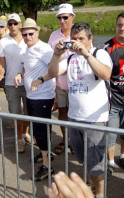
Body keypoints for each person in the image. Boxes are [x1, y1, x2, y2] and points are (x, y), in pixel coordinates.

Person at [48, 22, 113, 196]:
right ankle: (89, 187)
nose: (77, 43)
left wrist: (86, 54)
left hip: (95, 120)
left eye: (81, 39)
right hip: (74, 118)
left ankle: (100, 194)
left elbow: (106, 74)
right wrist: (56, 55)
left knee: (96, 164)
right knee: (84, 159)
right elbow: (53, 72)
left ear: (90, 39)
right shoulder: (70, 58)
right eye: (74, 39)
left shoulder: (100, 54)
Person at [14, 18, 55, 181]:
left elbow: (55, 69)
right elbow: (27, 68)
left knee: (41, 130)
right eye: (24, 34)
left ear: (37, 32)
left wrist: (41, 79)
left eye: (31, 33)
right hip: (31, 96)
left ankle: (47, 167)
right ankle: (46, 154)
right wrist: (20, 74)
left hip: (43, 96)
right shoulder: (26, 49)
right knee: (37, 128)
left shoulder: (45, 49)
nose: (27, 37)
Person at [0, 13, 30, 153]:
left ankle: (25, 133)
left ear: (20, 24)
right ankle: (19, 139)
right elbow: (1, 63)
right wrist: (0, 76)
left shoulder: (28, 38)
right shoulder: (3, 42)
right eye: (10, 24)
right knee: (15, 114)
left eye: (15, 23)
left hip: (28, 83)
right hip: (11, 84)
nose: (12, 26)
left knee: (28, 113)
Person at [48, 3, 76, 155]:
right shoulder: (53, 36)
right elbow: (49, 59)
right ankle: (66, 140)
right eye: (59, 17)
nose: (62, 20)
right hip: (60, 83)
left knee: (76, 114)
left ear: (72, 17)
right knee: (63, 113)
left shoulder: (78, 33)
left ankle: (76, 141)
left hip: (76, 83)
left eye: (65, 17)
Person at [101, 11, 124, 179]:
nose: (122, 28)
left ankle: (122, 156)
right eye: (119, 25)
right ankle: (109, 163)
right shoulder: (107, 48)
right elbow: (102, 76)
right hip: (113, 100)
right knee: (110, 134)